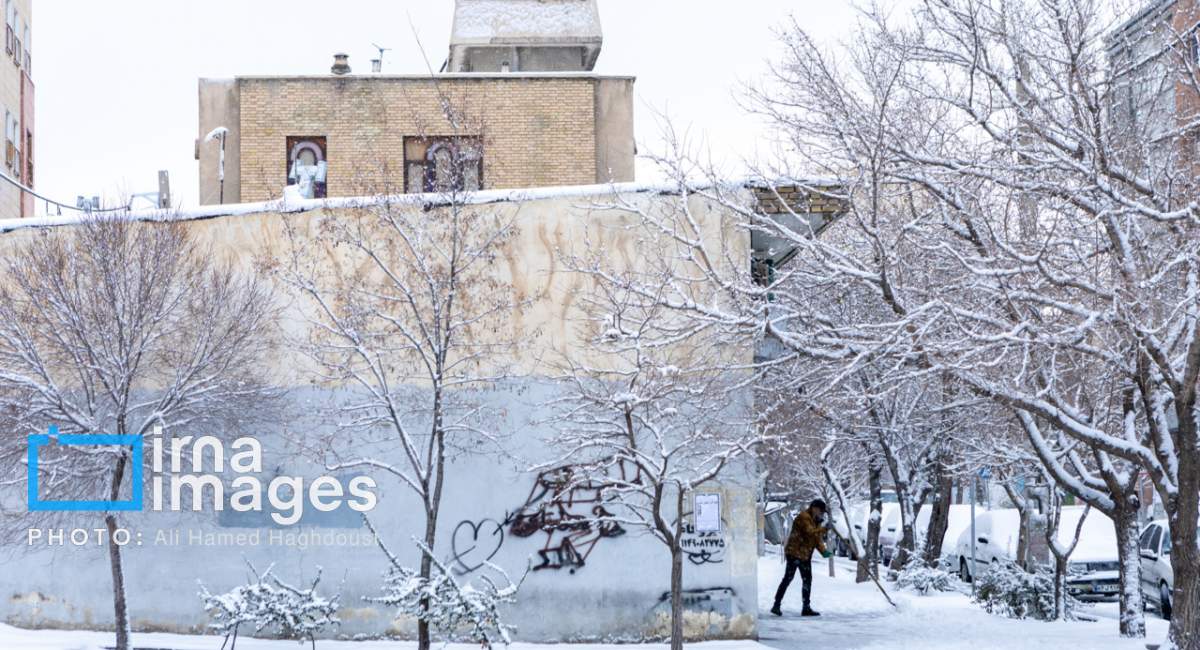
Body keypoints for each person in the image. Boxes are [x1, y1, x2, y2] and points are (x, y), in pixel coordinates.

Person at [771, 498, 832, 617]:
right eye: (821, 511)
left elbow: (816, 539)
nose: (821, 514)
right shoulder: (804, 517)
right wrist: (824, 529)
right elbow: (810, 533)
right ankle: (776, 605)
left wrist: (823, 551)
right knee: (788, 579)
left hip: (805, 555)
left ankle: (806, 607)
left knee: (807, 580)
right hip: (794, 553)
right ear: (814, 508)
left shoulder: (815, 521)